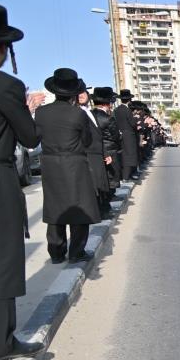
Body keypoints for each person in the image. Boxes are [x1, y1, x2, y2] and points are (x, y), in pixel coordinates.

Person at [0, 4, 44, 360]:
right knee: (4, 259)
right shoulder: (6, 86)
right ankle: (2, 342)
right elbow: (29, 138)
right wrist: (30, 109)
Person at [35, 68, 100, 263]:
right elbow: (87, 140)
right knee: (79, 206)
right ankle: (76, 251)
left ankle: (56, 252)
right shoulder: (78, 114)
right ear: (73, 93)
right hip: (74, 163)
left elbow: (36, 138)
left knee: (55, 206)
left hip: (50, 164)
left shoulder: (41, 112)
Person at [77, 84, 112, 220]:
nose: (81, 95)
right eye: (78, 93)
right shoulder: (77, 112)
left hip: (98, 152)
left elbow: (98, 134)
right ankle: (98, 213)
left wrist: (105, 153)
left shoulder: (89, 112)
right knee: (95, 185)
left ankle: (103, 210)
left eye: (83, 92)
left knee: (101, 183)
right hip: (88, 153)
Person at [92, 87, 122, 201]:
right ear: (107, 103)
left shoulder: (89, 115)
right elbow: (115, 136)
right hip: (110, 149)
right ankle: (110, 197)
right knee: (111, 176)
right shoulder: (108, 118)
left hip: (95, 150)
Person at [115, 88, 140, 180]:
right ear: (129, 100)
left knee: (124, 155)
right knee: (130, 155)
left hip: (120, 133)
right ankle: (128, 175)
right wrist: (135, 119)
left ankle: (124, 176)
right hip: (129, 135)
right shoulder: (127, 110)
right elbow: (132, 123)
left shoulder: (117, 109)